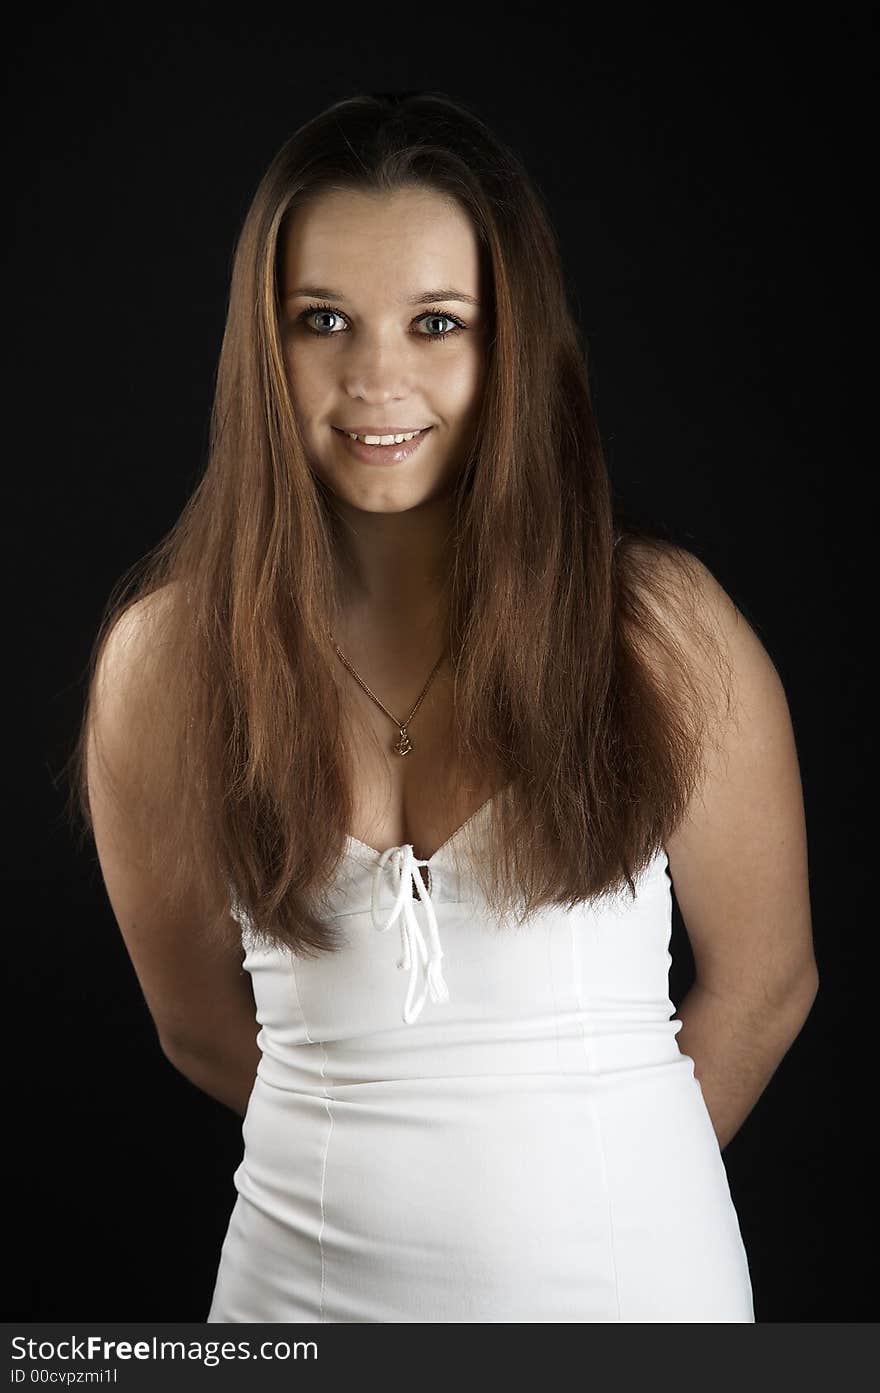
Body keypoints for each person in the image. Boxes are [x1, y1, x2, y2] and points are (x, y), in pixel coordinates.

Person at [69, 90, 818, 1323]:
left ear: (509, 344)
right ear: (264, 345)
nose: (377, 380)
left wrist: (607, 1183)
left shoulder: (657, 628)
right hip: (290, 1312)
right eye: (322, 321)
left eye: (435, 323)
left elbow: (767, 981)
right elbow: (197, 1025)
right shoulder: (164, 662)